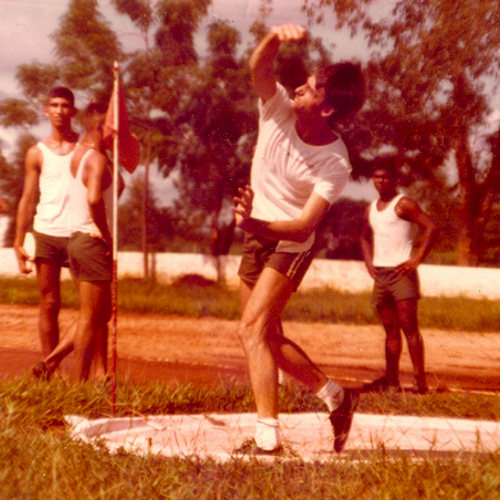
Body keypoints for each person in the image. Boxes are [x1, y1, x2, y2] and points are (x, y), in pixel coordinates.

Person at [232, 24, 365, 455]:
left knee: (251, 328)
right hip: (258, 236)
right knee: (265, 336)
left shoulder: (334, 161)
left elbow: (305, 227)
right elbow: (259, 66)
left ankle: (267, 439)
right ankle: (335, 396)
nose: (297, 90)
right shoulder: (276, 108)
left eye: (309, 89)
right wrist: (274, 36)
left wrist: (250, 224)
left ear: (326, 109)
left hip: (289, 243)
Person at [33, 102, 123, 381]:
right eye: (112, 127)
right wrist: (106, 235)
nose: (117, 133)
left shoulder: (79, 155)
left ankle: (50, 361)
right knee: (90, 317)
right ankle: (79, 385)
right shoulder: (95, 159)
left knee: (99, 314)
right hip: (91, 240)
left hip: (78, 239)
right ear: (100, 127)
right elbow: (95, 198)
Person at [360, 161, 437, 395]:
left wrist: (416, 259)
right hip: (381, 274)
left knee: (409, 328)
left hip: (402, 273)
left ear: (394, 179)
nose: (380, 181)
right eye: (376, 177)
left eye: (385, 177)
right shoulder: (371, 208)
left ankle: (419, 380)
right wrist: (368, 261)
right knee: (389, 329)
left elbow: (431, 227)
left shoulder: (404, 204)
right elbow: (363, 236)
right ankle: (391, 382)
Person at [14, 87, 79, 356]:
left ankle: (56, 362)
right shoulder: (36, 153)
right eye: (54, 105)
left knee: (94, 309)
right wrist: (18, 241)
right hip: (47, 233)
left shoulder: (84, 149)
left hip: (80, 234)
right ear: (46, 110)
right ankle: (51, 376)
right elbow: (28, 199)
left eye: (65, 105)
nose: (59, 110)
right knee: (50, 302)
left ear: (73, 111)